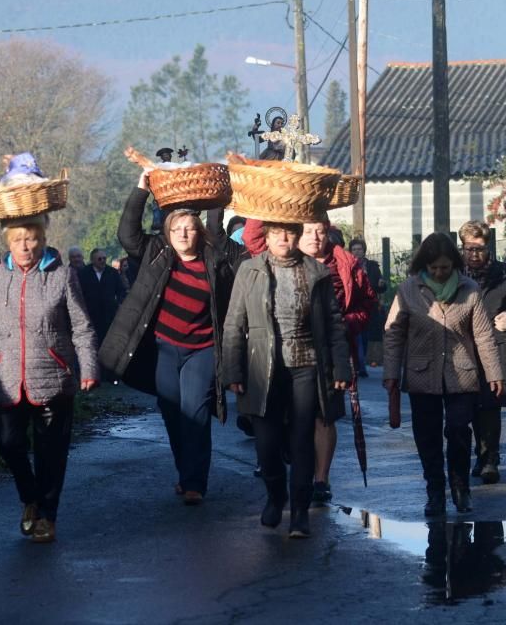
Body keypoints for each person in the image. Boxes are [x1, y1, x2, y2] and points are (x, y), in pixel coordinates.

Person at [99, 171, 247, 505]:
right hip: (164, 348)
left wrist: (216, 203)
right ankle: (185, 473)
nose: (183, 232)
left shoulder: (214, 261)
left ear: (199, 232)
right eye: (177, 227)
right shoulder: (156, 253)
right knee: (171, 411)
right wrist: (141, 191)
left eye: (189, 227)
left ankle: (195, 482)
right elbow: (127, 234)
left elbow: (222, 239)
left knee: (195, 411)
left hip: (203, 350)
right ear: (168, 230)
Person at [0, 216, 99, 544]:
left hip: (54, 378)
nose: (25, 246)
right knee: (8, 443)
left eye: (31, 239)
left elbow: (82, 326)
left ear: (42, 240)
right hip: (9, 379)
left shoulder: (62, 276)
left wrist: (90, 368)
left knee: (51, 454)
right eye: (17, 240)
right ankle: (30, 498)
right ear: (7, 243)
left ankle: (47, 516)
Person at [222, 222, 351, 537]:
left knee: (302, 439)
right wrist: (233, 370)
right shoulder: (249, 270)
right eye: (276, 232)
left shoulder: (316, 273)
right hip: (260, 367)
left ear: (297, 236)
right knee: (266, 443)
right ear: (266, 236)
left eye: (290, 232)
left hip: (306, 365)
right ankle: (275, 495)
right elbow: (234, 323)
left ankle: (299, 512)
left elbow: (334, 324)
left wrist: (341, 368)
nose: (283, 238)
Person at [243, 218, 376, 505]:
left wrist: (344, 325)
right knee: (288, 417)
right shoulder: (277, 257)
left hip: (332, 352)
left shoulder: (345, 263)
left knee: (323, 417)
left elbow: (368, 304)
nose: (316, 237)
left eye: (322, 231)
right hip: (285, 350)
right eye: (308, 231)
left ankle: (321, 480)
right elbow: (253, 236)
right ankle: (282, 464)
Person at [383, 232, 503, 516]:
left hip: (462, 374)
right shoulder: (407, 290)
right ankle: (435, 491)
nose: (439, 273)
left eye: (445, 268)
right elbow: (393, 334)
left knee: (459, 430)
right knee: (427, 436)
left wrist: (494, 372)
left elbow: (484, 335)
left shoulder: (470, 289)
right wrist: (391, 373)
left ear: (454, 265)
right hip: (421, 375)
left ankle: (460, 487)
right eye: (434, 268)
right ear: (424, 265)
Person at [458, 220, 506, 485]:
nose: (473, 254)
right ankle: (481, 455)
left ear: (488, 247)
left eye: (479, 249)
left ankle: (491, 458)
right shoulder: (455, 274)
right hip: (465, 346)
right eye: (469, 249)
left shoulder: (504, 273)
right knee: (471, 404)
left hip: (497, 344)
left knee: (491, 402)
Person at [348, 238, 387, 378]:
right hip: (353, 306)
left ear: (364, 251)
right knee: (357, 335)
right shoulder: (347, 265)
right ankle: (360, 366)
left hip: (369, 306)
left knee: (365, 337)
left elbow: (380, 287)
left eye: (359, 249)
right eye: (354, 249)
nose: (357, 252)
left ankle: (360, 362)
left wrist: (382, 284)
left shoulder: (372, 266)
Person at [78, 248, 127, 347]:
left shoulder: (112, 272)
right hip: (91, 315)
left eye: (104, 258)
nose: (103, 261)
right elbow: (79, 293)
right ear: (93, 260)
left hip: (109, 315)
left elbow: (121, 291)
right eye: (99, 259)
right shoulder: (83, 274)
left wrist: (118, 303)